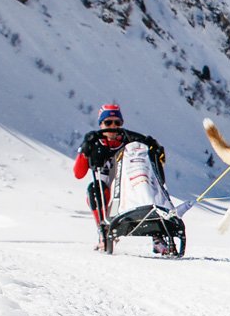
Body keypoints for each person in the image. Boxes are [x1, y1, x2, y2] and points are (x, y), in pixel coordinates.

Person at [72, 104, 169, 254]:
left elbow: (151, 152)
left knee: (146, 187)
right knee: (94, 189)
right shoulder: (94, 142)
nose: (112, 127)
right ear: (101, 124)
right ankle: (103, 232)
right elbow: (78, 174)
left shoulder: (131, 139)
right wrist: (84, 151)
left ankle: (158, 237)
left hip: (129, 188)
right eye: (108, 122)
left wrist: (156, 149)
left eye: (117, 122)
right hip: (108, 194)